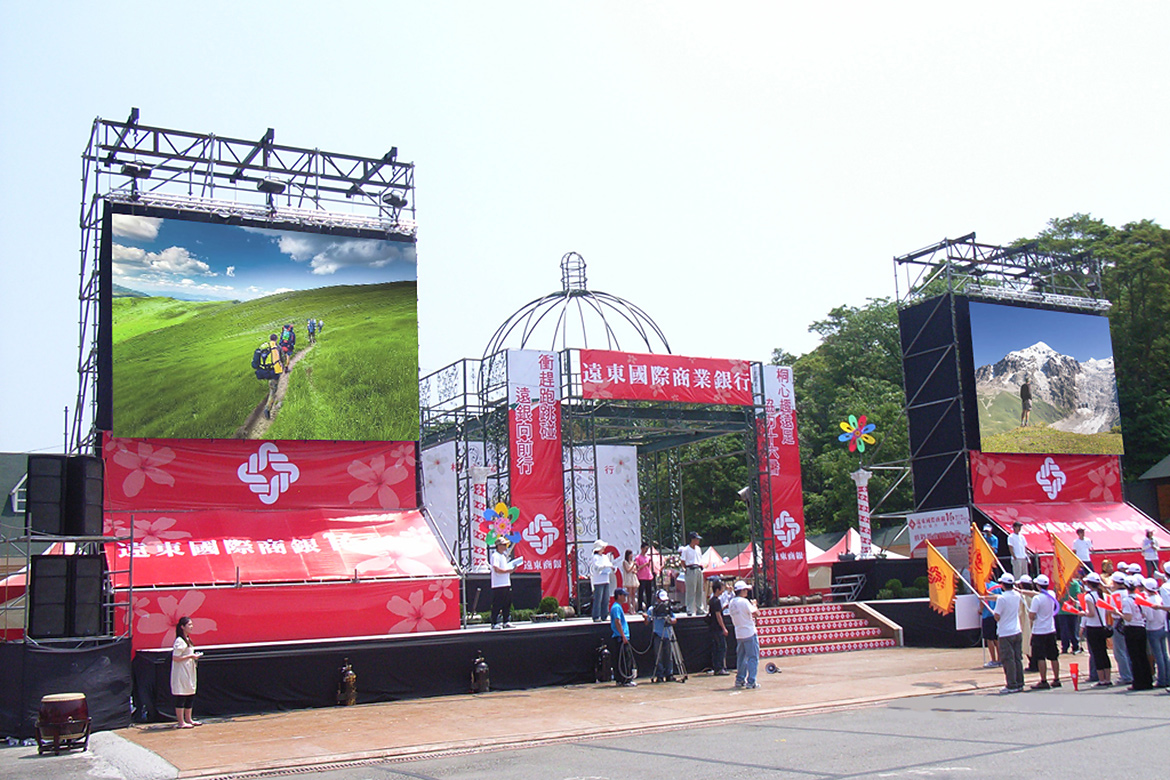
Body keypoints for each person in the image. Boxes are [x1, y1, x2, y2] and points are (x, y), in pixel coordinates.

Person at [991, 573, 1024, 693]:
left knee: (1008, 659)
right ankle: (1019, 682)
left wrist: (994, 613)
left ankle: (1011, 684)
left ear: (1003, 585)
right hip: (1017, 630)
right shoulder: (1017, 595)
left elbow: (997, 616)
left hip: (1005, 632)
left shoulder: (1002, 598)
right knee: (1017, 658)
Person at [1120, 575, 1154, 690]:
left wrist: (1119, 613)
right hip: (1141, 627)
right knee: (1142, 655)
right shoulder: (1140, 598)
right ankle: (1147, 681)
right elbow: (1144, 614)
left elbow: (1128, 617)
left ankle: (1138, 682)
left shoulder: (1126, 600)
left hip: (1131, 628)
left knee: (1134, 657)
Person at [1028, 574, 1061, 689]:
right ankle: (1056, 678)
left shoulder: (1037, 599)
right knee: (1053, 656)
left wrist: (1032, 615)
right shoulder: (1052, 594)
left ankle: (1043, 680)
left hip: (1039, 631)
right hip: (1050, 629)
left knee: (1040, 657)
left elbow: (1031, 615)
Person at [171, 616, 203, 728]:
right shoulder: (179, 641)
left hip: (189, 669)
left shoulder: (188, 639)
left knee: (190, 693)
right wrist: (190, 656)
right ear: (182, 627)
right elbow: (175, 657)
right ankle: (181, 722)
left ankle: (189, 719)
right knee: (181, 695)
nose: (191, 627)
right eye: (189, 625)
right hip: (181, 671)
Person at [1081, 573, 1113, 686]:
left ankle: (1101, 679)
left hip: (1093, 628)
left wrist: (1083, 613)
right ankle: (1108, 678)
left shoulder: (1088, 596)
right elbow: (1107, 611)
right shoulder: (1104, 595)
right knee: (1103, 653)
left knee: (1096, 654)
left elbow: (1091, 613)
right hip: (1102, 627)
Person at [728, 580, 760, 689]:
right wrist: (754, 605)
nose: (747, 592)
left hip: (739, 633)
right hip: (749, 632)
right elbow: (756, 613)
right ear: (741, 591)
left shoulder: (732, 603)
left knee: (741, 658)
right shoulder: (744, 602)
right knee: (752, 657)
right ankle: (751, 681)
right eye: (745, 590)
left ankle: (740, 679)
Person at [1141, 577, 1169, 688]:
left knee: (1158, 656)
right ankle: (1167, 678)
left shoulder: (1149, 601)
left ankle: (1161, 679)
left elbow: (1150, 617)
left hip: (1153, 629)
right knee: (1164, 654)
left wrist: (1144, 615)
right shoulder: (1159, 597)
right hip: (1162, 627)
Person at [1108, 571, 1133, 684]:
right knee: (1128, 649)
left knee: (1120, 651)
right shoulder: (1128, 593)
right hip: (1129, 622)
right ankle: (1131, 673)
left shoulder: (1115, 595)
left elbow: (1111, 610)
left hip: (1118, 621)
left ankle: (1126, 676)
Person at [649, 589, 678, 682]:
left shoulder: (668, 609)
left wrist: (670, 620)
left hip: (668, 634)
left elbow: (674, 619)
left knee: (669, 655)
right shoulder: (652, 609)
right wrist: (647, 617)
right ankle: (660, 675)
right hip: (658, 634)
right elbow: (647, 621)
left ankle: (669, 674)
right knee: (658, 656)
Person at [609, 588, 635, 687]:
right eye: (624, 595)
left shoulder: (617, 607)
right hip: (620, 637)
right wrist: (623, 636)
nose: (625, 597)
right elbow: (617, 621)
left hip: (620, 637)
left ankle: (621, 679)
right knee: (625, 659)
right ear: (619, 596)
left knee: (622, 659)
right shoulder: (616, 607)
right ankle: (625, 679)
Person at [255, 333, 284, 420]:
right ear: (276, 339)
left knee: (271, 386)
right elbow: (282, 359)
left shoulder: (264, 347)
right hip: (273, 373)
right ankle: (267, 409)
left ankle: (268, 400)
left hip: (264, 372)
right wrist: (282, 366)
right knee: (273, 391)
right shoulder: (278, 348)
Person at [489, 537, 516, 629]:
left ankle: (506, 621)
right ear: (498, 546)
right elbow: (496, 569)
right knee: (497, 603)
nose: (505, 547)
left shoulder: (503, 556)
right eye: (504, 545)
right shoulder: (495, 556)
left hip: (506, 583)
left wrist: (511, 570)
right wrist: (508, 571)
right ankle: (494, 622)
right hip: (498, 584)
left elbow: (504, 569)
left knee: (507, 603)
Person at [679, 532, 705, 616]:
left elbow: (700, 559)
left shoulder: (698, 549)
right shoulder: (686, 549)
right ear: (692, 539)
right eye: (696, 539)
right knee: (691, 590)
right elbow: (682, 561)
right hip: (690, 568)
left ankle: (699, 608)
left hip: (698, 568)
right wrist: (685, 569)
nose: (698, 541)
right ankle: (690, 609)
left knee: (699, 590)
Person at [1056, 574, 1083, 655]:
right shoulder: (1059, 584)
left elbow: (1078, 595)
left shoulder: (1074, 583)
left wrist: (1071, 601)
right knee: (1066, 630)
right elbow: (1057, 596)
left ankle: (1074, 646)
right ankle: (1066, 647)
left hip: (1072, 610)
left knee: (1072, 630)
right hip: (1063, 611)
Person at [707, 580, 729, 675]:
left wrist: (723, 608)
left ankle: (716, 667)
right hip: (717, 628)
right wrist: (724, 628)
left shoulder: (712, 601)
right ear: (717, 589)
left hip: (712, 628)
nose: (722, 591)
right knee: (721, 647)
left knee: (716, 648)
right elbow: (718, 615)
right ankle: (720, 668)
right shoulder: (716, 601)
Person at [590, 540, 615, 622]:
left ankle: (605, 615)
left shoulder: (605, 557)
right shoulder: (595, 557)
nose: (604, 549)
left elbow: (610, 564)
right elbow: (596, 567)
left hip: (606, 579)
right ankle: (596, 616)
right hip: (598, 581)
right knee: (598, 599)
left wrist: (611, 568)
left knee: (606, 598)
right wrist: (605, 566)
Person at [981, 578, 1002, 668]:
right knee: (997, 638)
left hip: (987, 614)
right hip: (997, 613)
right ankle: (1000, 659)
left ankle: (994, 660)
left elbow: (982, 601)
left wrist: (980, 610)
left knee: (989, 639)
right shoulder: (997, 586)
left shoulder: (983, 587)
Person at [634, 543, 655, 613]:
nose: (646, 550)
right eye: (645, 549)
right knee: (641, 592)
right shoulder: (638, 557)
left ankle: (649, 606)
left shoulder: (648, 557)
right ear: (641, 548)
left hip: (648, 576)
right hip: (641, 577)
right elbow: (638, 567)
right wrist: (645, 564)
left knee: (649, 592)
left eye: (647, 549)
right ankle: (640, 607)